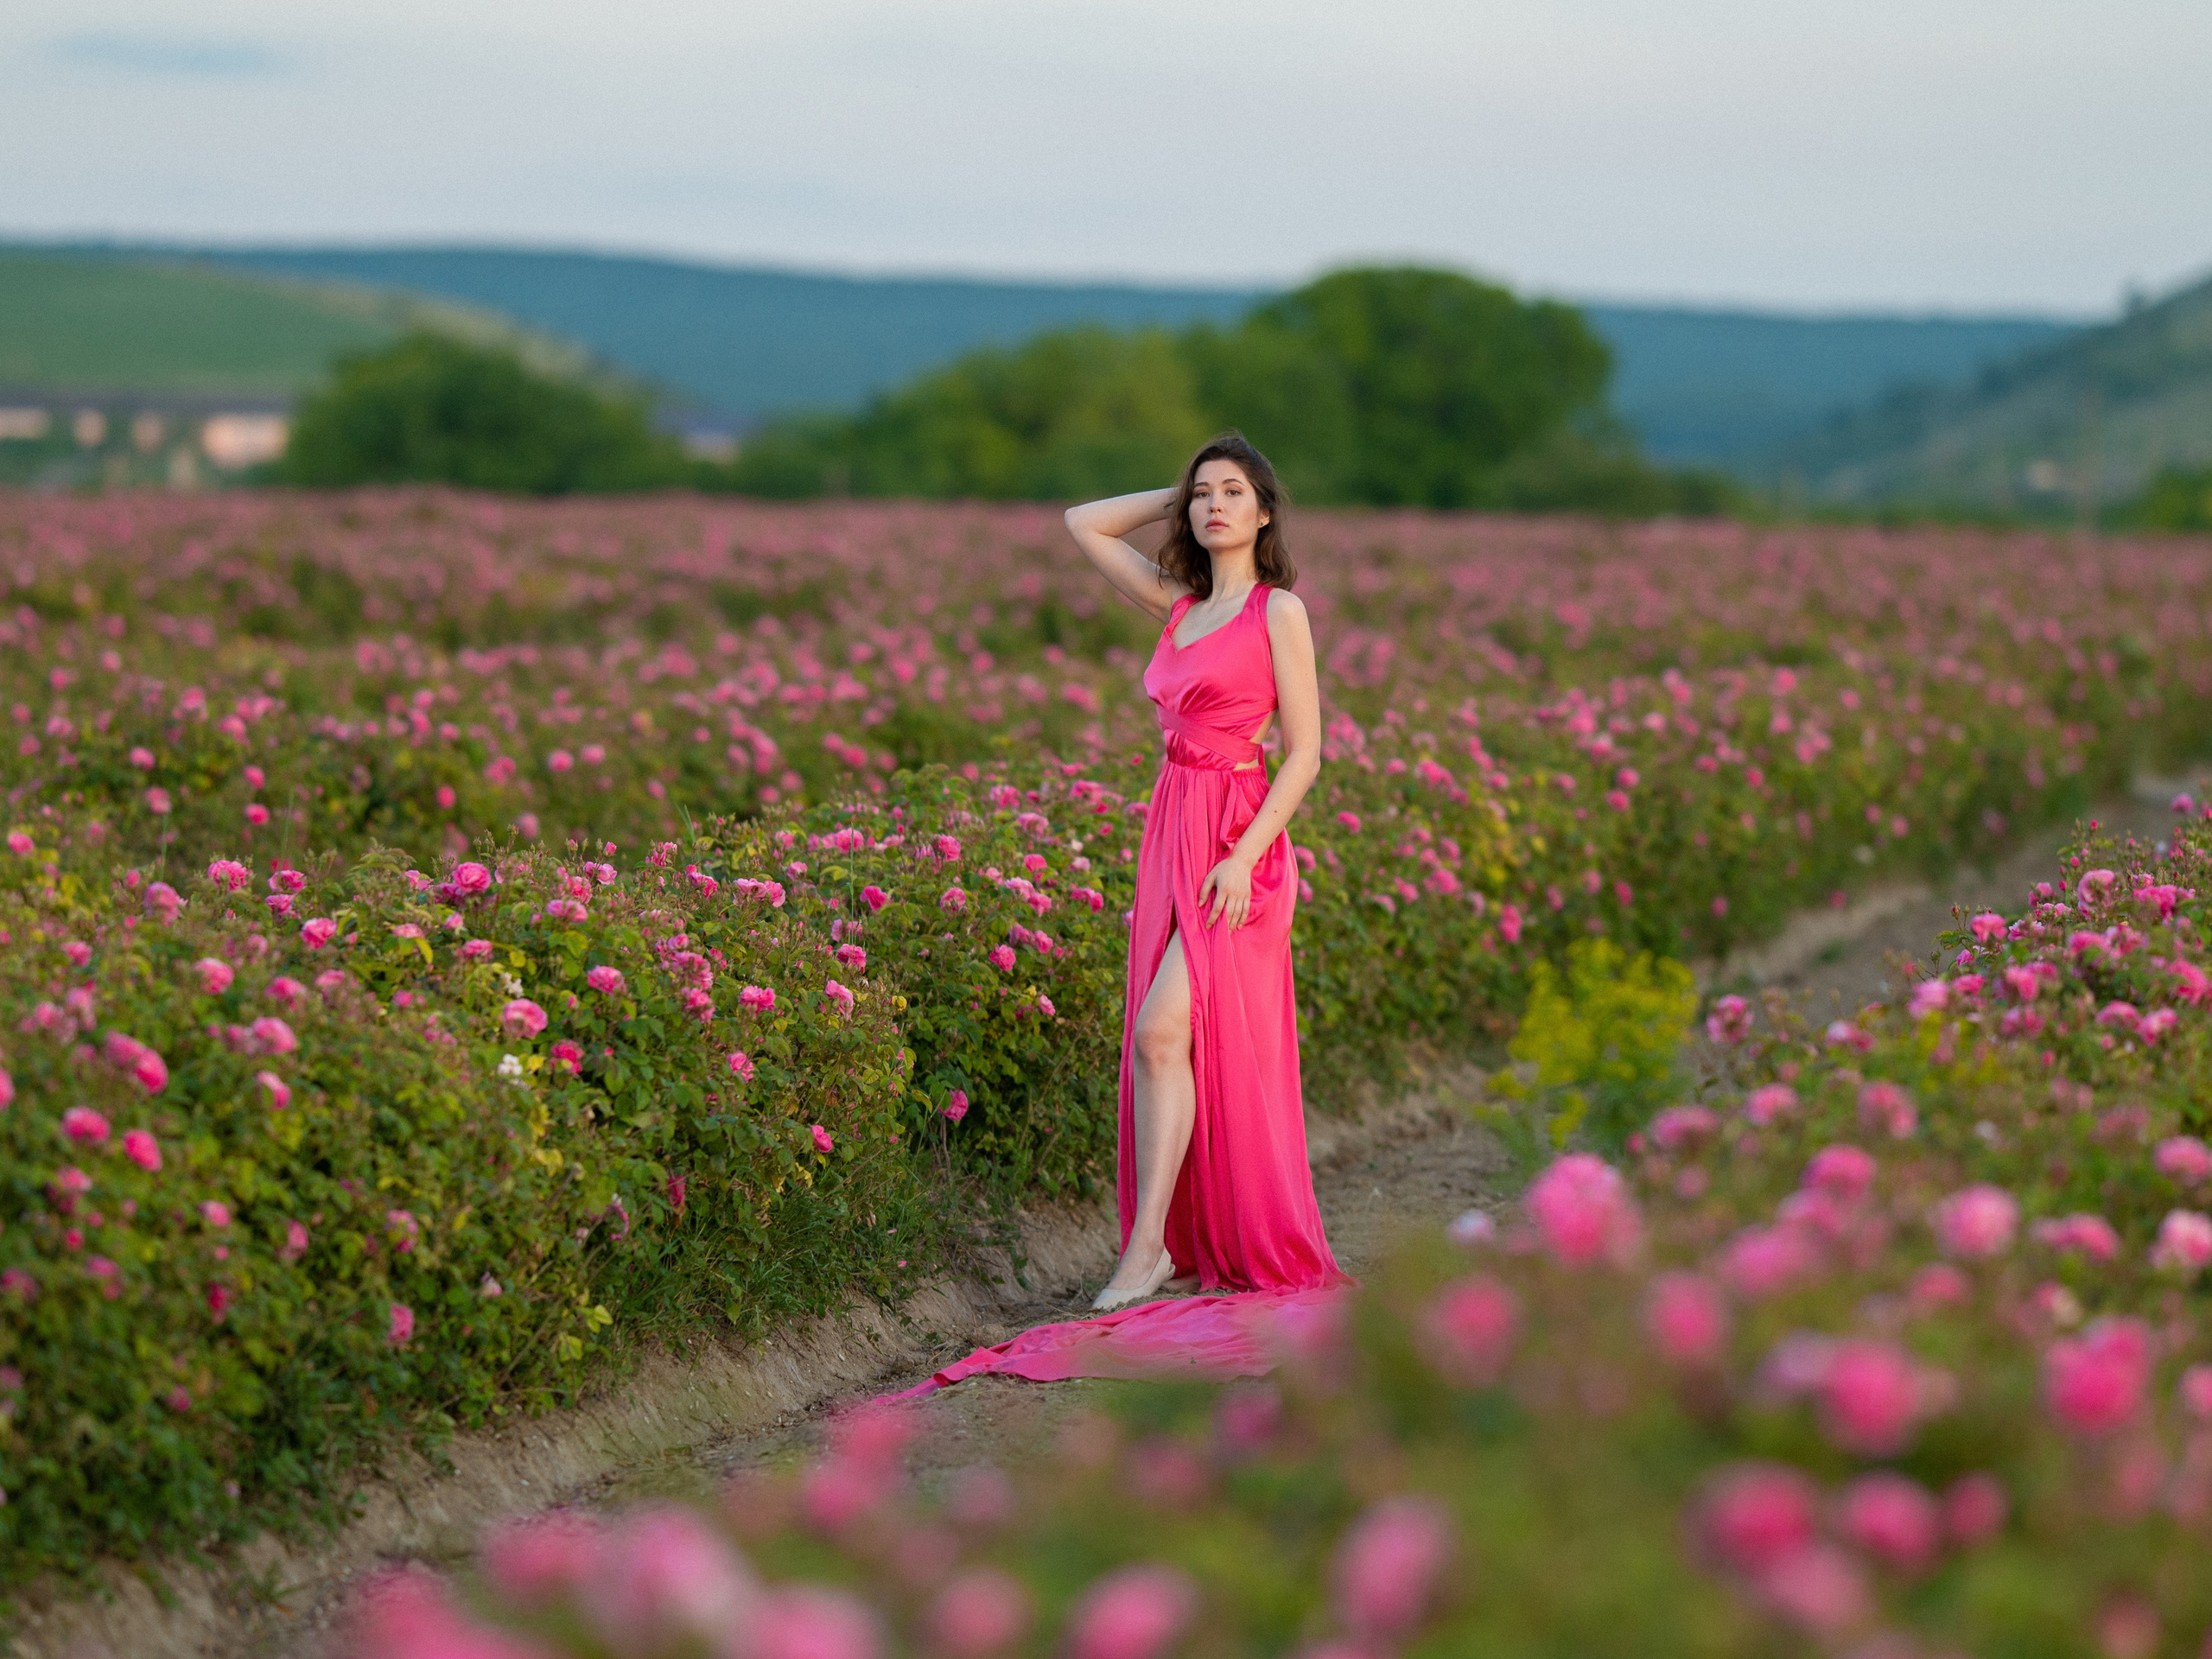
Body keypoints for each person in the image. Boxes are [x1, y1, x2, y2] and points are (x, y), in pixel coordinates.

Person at [1063, 433, 1347, 1311]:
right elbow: (1082, 523)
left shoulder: (1277, 613)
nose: (1214, 505)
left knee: (1162, 1031)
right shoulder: (1178, 605)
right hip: (1172, 826)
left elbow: (1304, 753)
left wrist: (1244, 856)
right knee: (1161, 1042)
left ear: (1264, 513)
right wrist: (1172, 490)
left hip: (1237, 837)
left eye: (1233, 492)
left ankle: (1152, 1248)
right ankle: (1154, 1247)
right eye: (1202, 494)